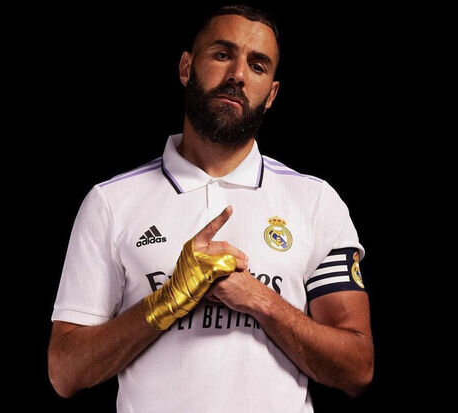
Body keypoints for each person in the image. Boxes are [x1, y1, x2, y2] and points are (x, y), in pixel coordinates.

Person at [48, 4, 373, 412]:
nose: (238, 74)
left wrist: (260, 299)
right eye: (222, 54)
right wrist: (168, 300)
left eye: (257, 65)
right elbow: (65, 372)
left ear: (271, 94)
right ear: (186, 68)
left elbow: (357, 369)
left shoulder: (315, 200)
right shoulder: (110, 202)